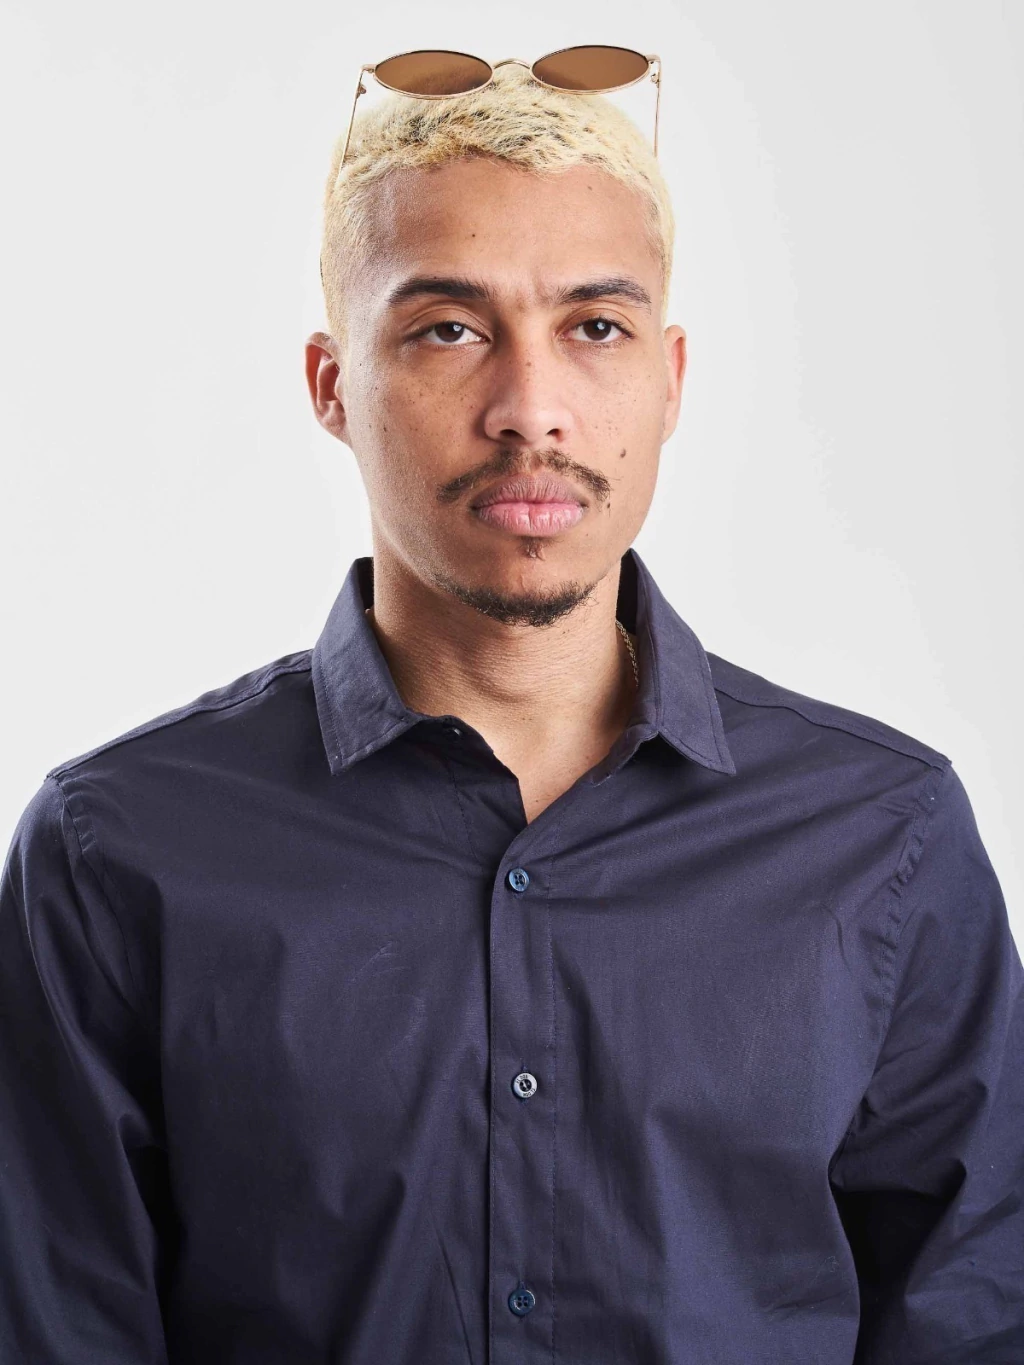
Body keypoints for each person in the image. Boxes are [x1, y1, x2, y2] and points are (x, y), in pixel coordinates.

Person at [1, 53, 1021, 1365]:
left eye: (595, 328)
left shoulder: (887, 838)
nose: (532, 410)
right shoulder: (116, 853)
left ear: (670, 379)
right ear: (331, 385)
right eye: (448, 329)